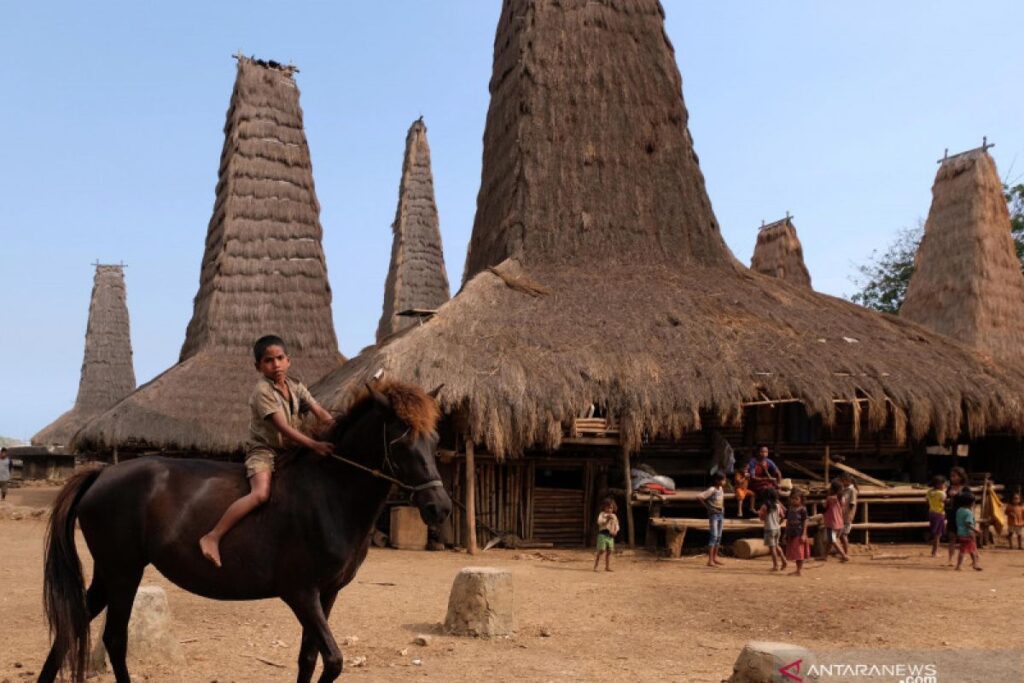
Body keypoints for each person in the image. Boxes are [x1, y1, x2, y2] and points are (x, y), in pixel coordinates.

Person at [199, 335, 336, 568]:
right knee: (260, 494)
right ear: (258, 367)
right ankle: (213, 536)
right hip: (264, 450)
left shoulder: (296, 386)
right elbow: (282, 427)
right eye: (269, 361)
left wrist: (336, 429)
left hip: (291, 451)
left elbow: (320, 412)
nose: (276, 365)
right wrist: (314, 445)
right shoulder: (262, 392)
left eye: (280, 358)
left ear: (288, 360)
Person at [697, 472, 727, 567]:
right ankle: (710, 560)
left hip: (720, 514)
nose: (724, 482)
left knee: (718, 536)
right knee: (713, 536)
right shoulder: (712, 489)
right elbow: (699, 497)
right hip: (714, 515)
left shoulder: (721, 489)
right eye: (723, 480)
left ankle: (715, 557)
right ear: (717, 480)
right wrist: (707, 507)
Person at [757, 487, 787, 572]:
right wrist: (778, 523)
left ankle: (776, 565)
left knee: (772, 548)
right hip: (777, 528)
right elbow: (783, 516)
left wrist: (759, 513)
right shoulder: (778, 505)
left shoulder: (764, 506)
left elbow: (762, 518)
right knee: (777, 545)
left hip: (769, 529)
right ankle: (784, 560)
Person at [746, 444, 783, 509]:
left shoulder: (769, 461)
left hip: (767, 483)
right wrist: (766, 479)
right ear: (757, 453)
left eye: (766, 452)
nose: (764, 454)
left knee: (773, 491)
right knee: (768, 491)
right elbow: (753, 477)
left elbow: (778, 472)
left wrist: (779, 484)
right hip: (756, 484)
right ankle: (782, 509)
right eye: (762, 452)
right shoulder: (753, 462)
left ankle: (779, 509)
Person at [944, 467, 967, 566]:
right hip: (952, 515)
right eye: (951, 476)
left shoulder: (965, 489)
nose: (952, 478)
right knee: (952, 538)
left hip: (962, 517)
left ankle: (968, 559)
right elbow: (947, 501)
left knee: (964, 539)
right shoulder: (949, 488)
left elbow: (969, 499)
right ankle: (950, 559)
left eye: (954, 476)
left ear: (961, 477)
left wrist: (957, 495)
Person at [954, 490, 982, 571]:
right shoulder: (969, 513)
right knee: (963, 550)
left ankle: (975, 564)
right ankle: (959, 566)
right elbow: (968, 524)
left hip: (960, 533)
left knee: (972, 549)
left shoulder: (959, 510)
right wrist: (976, 530)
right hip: (967, 534)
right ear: (972, 503)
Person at [784, 489, 809, 576]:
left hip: (799, 533)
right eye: (792, 498)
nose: (794, 500)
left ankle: (799, 570)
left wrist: (804, 534)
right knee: (795, 552)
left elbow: (805, 522)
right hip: (791, 532)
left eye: (796, 499)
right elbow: (787, 521)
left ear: (801, 500)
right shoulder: (790, 509)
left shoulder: (803, 509)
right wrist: (785, 533)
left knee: (799, 552)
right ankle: (797, 570)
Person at [823, 480, 850, 562]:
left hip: (831, 522)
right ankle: (824, 556)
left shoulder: (830, 498)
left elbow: (824, 506)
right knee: (830, 540)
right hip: (839, 521)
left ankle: (843, 555)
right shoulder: (842, 498)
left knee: (832, 540)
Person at [594, 498, 620, 572]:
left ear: (613, 508)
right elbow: (599, 522)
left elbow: (617, 525)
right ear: (604, 507)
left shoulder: (614, 516)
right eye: (607, 507)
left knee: (609, 551)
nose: (609, 509)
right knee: (602, 550)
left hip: (610, 536)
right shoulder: (602, 514)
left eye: (611, 508)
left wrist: (616, 531)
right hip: (602, 535)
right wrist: (607, 519)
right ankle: (596, 566)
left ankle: (607, 567)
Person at [926, 475, 947, 557]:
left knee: (936, 533)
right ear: (939, 484)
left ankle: (934, 551)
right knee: (938, 534)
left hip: (931, 513)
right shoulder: (941, 493)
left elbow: (927, 501)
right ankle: (935, 552)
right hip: (939, 514)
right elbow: (945, 500)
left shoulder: (929, 492)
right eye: (943, 484)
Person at [839, 472, 858, 556]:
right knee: (842, 535)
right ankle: (844, 552)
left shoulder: (852, 491)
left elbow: (852, 504)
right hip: (842, 516)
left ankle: (846, 553)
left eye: (843, 480)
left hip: (847, 516)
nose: (842, 482)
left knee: (843, 535)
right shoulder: (844, 489)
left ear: (847, 480)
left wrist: (849, 516)